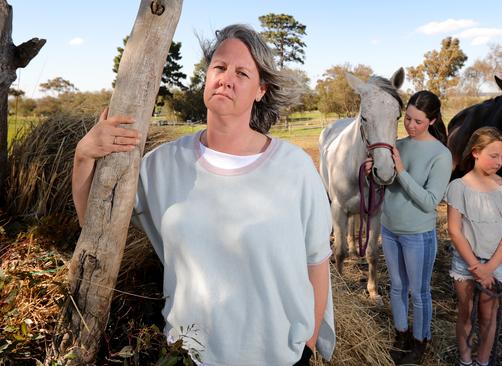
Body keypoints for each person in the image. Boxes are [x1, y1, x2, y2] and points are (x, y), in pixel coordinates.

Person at [72, 24, 335, 366]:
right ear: (206, 76)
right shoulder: (162, 164)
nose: (226, 78)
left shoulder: (295, 168)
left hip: (278, 358)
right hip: (187, 357)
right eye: (219, 67)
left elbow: (316, 264)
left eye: (242, 73)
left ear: (260, 90)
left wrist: (307, 347)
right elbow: (94, 225)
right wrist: (83, 156)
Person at [365, 90, 452, 365]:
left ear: (432, 120)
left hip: (418, 235)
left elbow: (429, 202)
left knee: (419, 291)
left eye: (418, 121)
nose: (410, 126)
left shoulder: (441, 154)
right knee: (397, 286)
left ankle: (419, 340)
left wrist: (401, 171)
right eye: (408, 119)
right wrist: (375, 175)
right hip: (390, 229)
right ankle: (401, 333)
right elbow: (388, 186)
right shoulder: (397, 145)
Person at [445, 126, 502, 366]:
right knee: (466, 312)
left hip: (496, 264)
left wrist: (489, 267)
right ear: (476, 153)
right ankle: (466, 360)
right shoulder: (459, 187)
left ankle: (483, 361)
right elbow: (455, 231)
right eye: (493, 155)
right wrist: (475, 266)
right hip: (466, 262)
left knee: (489, 316)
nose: (499, 162)